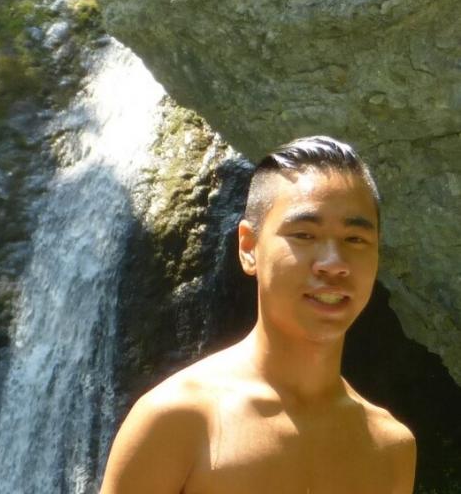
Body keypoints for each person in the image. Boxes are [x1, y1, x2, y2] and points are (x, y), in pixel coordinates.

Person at [100, 135, 416, 494]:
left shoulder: (391, 448)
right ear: (249, 247)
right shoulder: (179, 418)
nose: (333, 263)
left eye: (355, 239)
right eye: (304, 235)